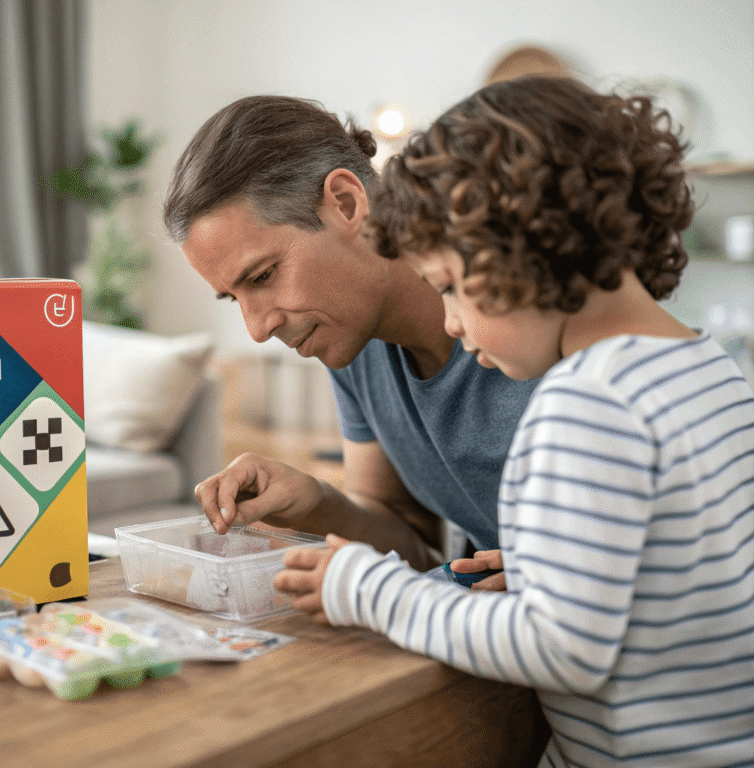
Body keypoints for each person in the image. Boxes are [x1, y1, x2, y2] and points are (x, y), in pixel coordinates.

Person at [274, 75, 754, 766]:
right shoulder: (708, 370)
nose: (448, 320)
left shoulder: (584, 402)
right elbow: (687, 572)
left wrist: (373, 592)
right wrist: (545, 568)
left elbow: (561, 651)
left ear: (524, 241)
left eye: (447, 285)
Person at [164, 95, 537, 573]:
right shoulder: (354, 341)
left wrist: (551, 578)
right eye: (234, 298)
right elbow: (417, 548)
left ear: (345, 202)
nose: (258, 330)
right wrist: (317, 502)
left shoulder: (526, 316)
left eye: (262, 277)